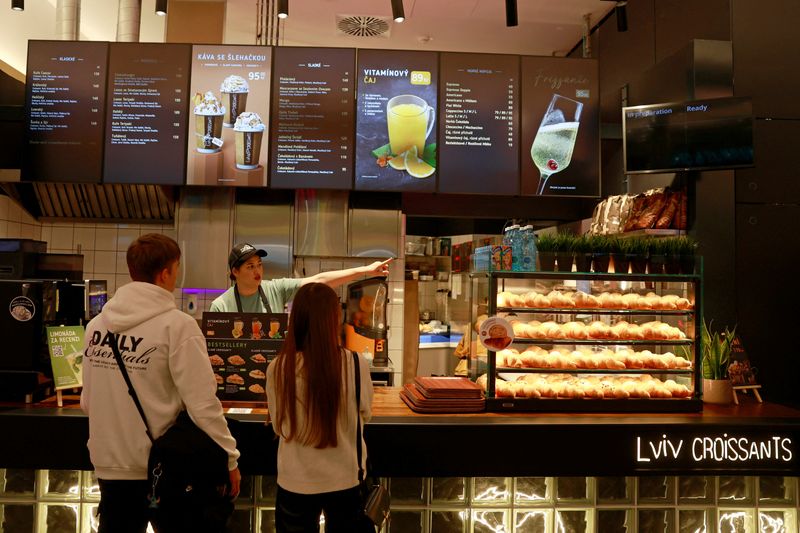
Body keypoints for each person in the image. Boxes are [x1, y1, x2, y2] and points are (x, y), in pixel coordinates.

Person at [81, 234, 241, 533]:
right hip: (161, 467)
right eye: (177, 267)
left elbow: (88, 403)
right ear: (166, 272)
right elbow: (202, 405)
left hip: (107, 462)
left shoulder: (95, 326)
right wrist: (230, 458)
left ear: (132, 270)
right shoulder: (178, 327)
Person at [266, 283, 374, 533]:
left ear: (296, 319)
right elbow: (365, 413)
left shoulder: (277, 368)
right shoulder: (355, 364)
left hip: (295, 481)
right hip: (346, 478)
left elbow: (278, 425)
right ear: (334, 318)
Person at [209, 242, 391, 313]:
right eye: (250, 266)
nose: (258, 271)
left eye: (259, 264)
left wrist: (366, 270)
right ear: (235, 272)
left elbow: (319, 281)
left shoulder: (275, 289)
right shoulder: (220, 305)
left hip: (274, 374)